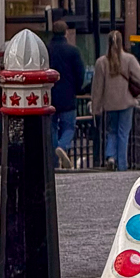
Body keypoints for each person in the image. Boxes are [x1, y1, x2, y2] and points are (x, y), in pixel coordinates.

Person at [90, 30, 140, 169]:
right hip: (126, 102)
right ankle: (122, 165)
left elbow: (97, 87)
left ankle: (111, 156)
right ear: (122, 42)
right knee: (123, 133)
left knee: (112, 131)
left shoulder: (101, 62)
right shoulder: (129, 59)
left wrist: (96, 108)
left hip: (109, 104)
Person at [48, 19, 86, 169]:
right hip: (68, 96)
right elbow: (80, 74)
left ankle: (53, 161)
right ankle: (62, 147)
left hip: (49, 96)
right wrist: (77, 89)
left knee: (51, 129)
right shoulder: (73, 51)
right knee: (69, 127)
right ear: (65, 32)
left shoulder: (46, 50)